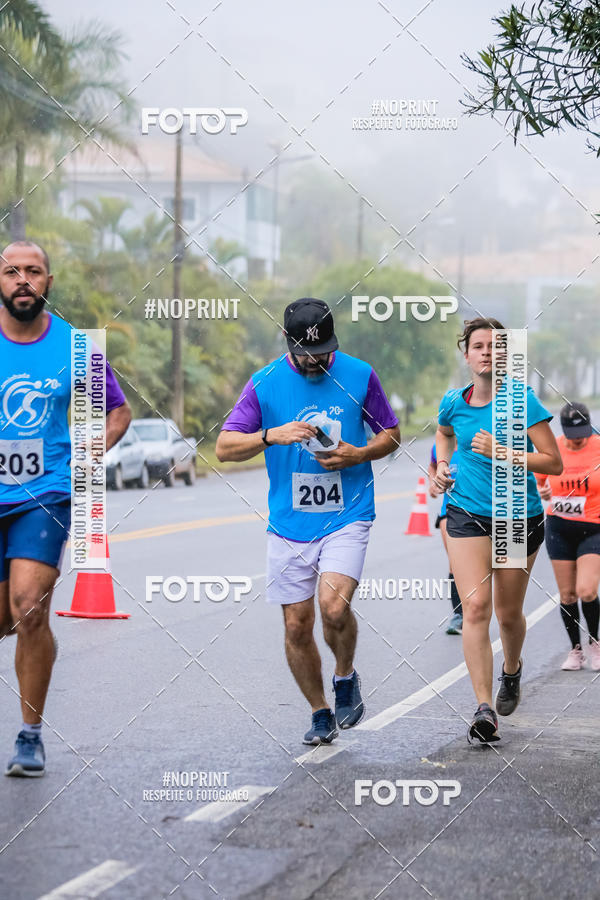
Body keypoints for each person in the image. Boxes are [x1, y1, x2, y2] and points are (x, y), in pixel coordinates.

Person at [216, 298, 400, 744]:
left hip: (347, 514)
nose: (314, 361)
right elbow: (224, 447)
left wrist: (360, 453)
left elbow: (391, 433)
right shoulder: (264, 384)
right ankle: (320, 711)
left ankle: (345, 675)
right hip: (288, 523)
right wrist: (269, 435)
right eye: (305, 353)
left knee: (333, 607)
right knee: (297, 625)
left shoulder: (359, 374)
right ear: (287, 342)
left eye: (322, 352)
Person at [0, 241, 131, 776]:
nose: (23, 280)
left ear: (48, 281)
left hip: (45, 493)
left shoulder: (75, 348)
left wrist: (88, 452)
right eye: (12, 272)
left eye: (33, 271)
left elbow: (119, 414)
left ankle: (30, 735)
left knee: (29, 608)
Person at [434, 317, 562, 743]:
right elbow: (444, 433)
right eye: (479, 346)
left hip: (516, 515)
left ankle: (512, 669)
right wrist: (442, 468)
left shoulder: (522, 401)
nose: (487, 352)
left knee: (508, 615)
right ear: (466, 353)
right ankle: (484, 708)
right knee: (475, 608)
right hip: (465, 513)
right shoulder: (453, 401)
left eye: (495, 346)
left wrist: (507, 452)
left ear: (506, 356)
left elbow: (553, 462)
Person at [536, 402, 600, 671]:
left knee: (586, 590)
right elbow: (540, 482)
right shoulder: (554, 448)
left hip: (593, 527)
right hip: (559, 526)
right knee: (568, 595)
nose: (577, 441)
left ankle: (595, 643)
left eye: (582, 435)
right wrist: (544, 492)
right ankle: (576, 650)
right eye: (572, 437)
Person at [428, 442, 462, 634]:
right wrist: (433, 481)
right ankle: (459, 615)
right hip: (449, 512)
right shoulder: (438, 447)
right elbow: (432, 465)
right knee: (455, 564)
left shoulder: (477, 442)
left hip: (480, 512)